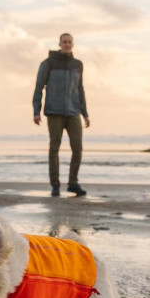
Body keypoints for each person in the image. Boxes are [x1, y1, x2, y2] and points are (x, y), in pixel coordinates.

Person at [33, 33, 90, 197]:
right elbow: (38, 87)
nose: (67, 44)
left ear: (73, 44)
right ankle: (55, 185)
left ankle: (73, 183)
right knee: (54, 148)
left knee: (77, 148)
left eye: (69, 42)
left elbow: (80, 90)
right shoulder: (48, 63)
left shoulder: (78, 64)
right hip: (54, 111)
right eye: (64, 42)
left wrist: (85, 113)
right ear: (59, 44)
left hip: (73, 112)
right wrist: (36, 111)